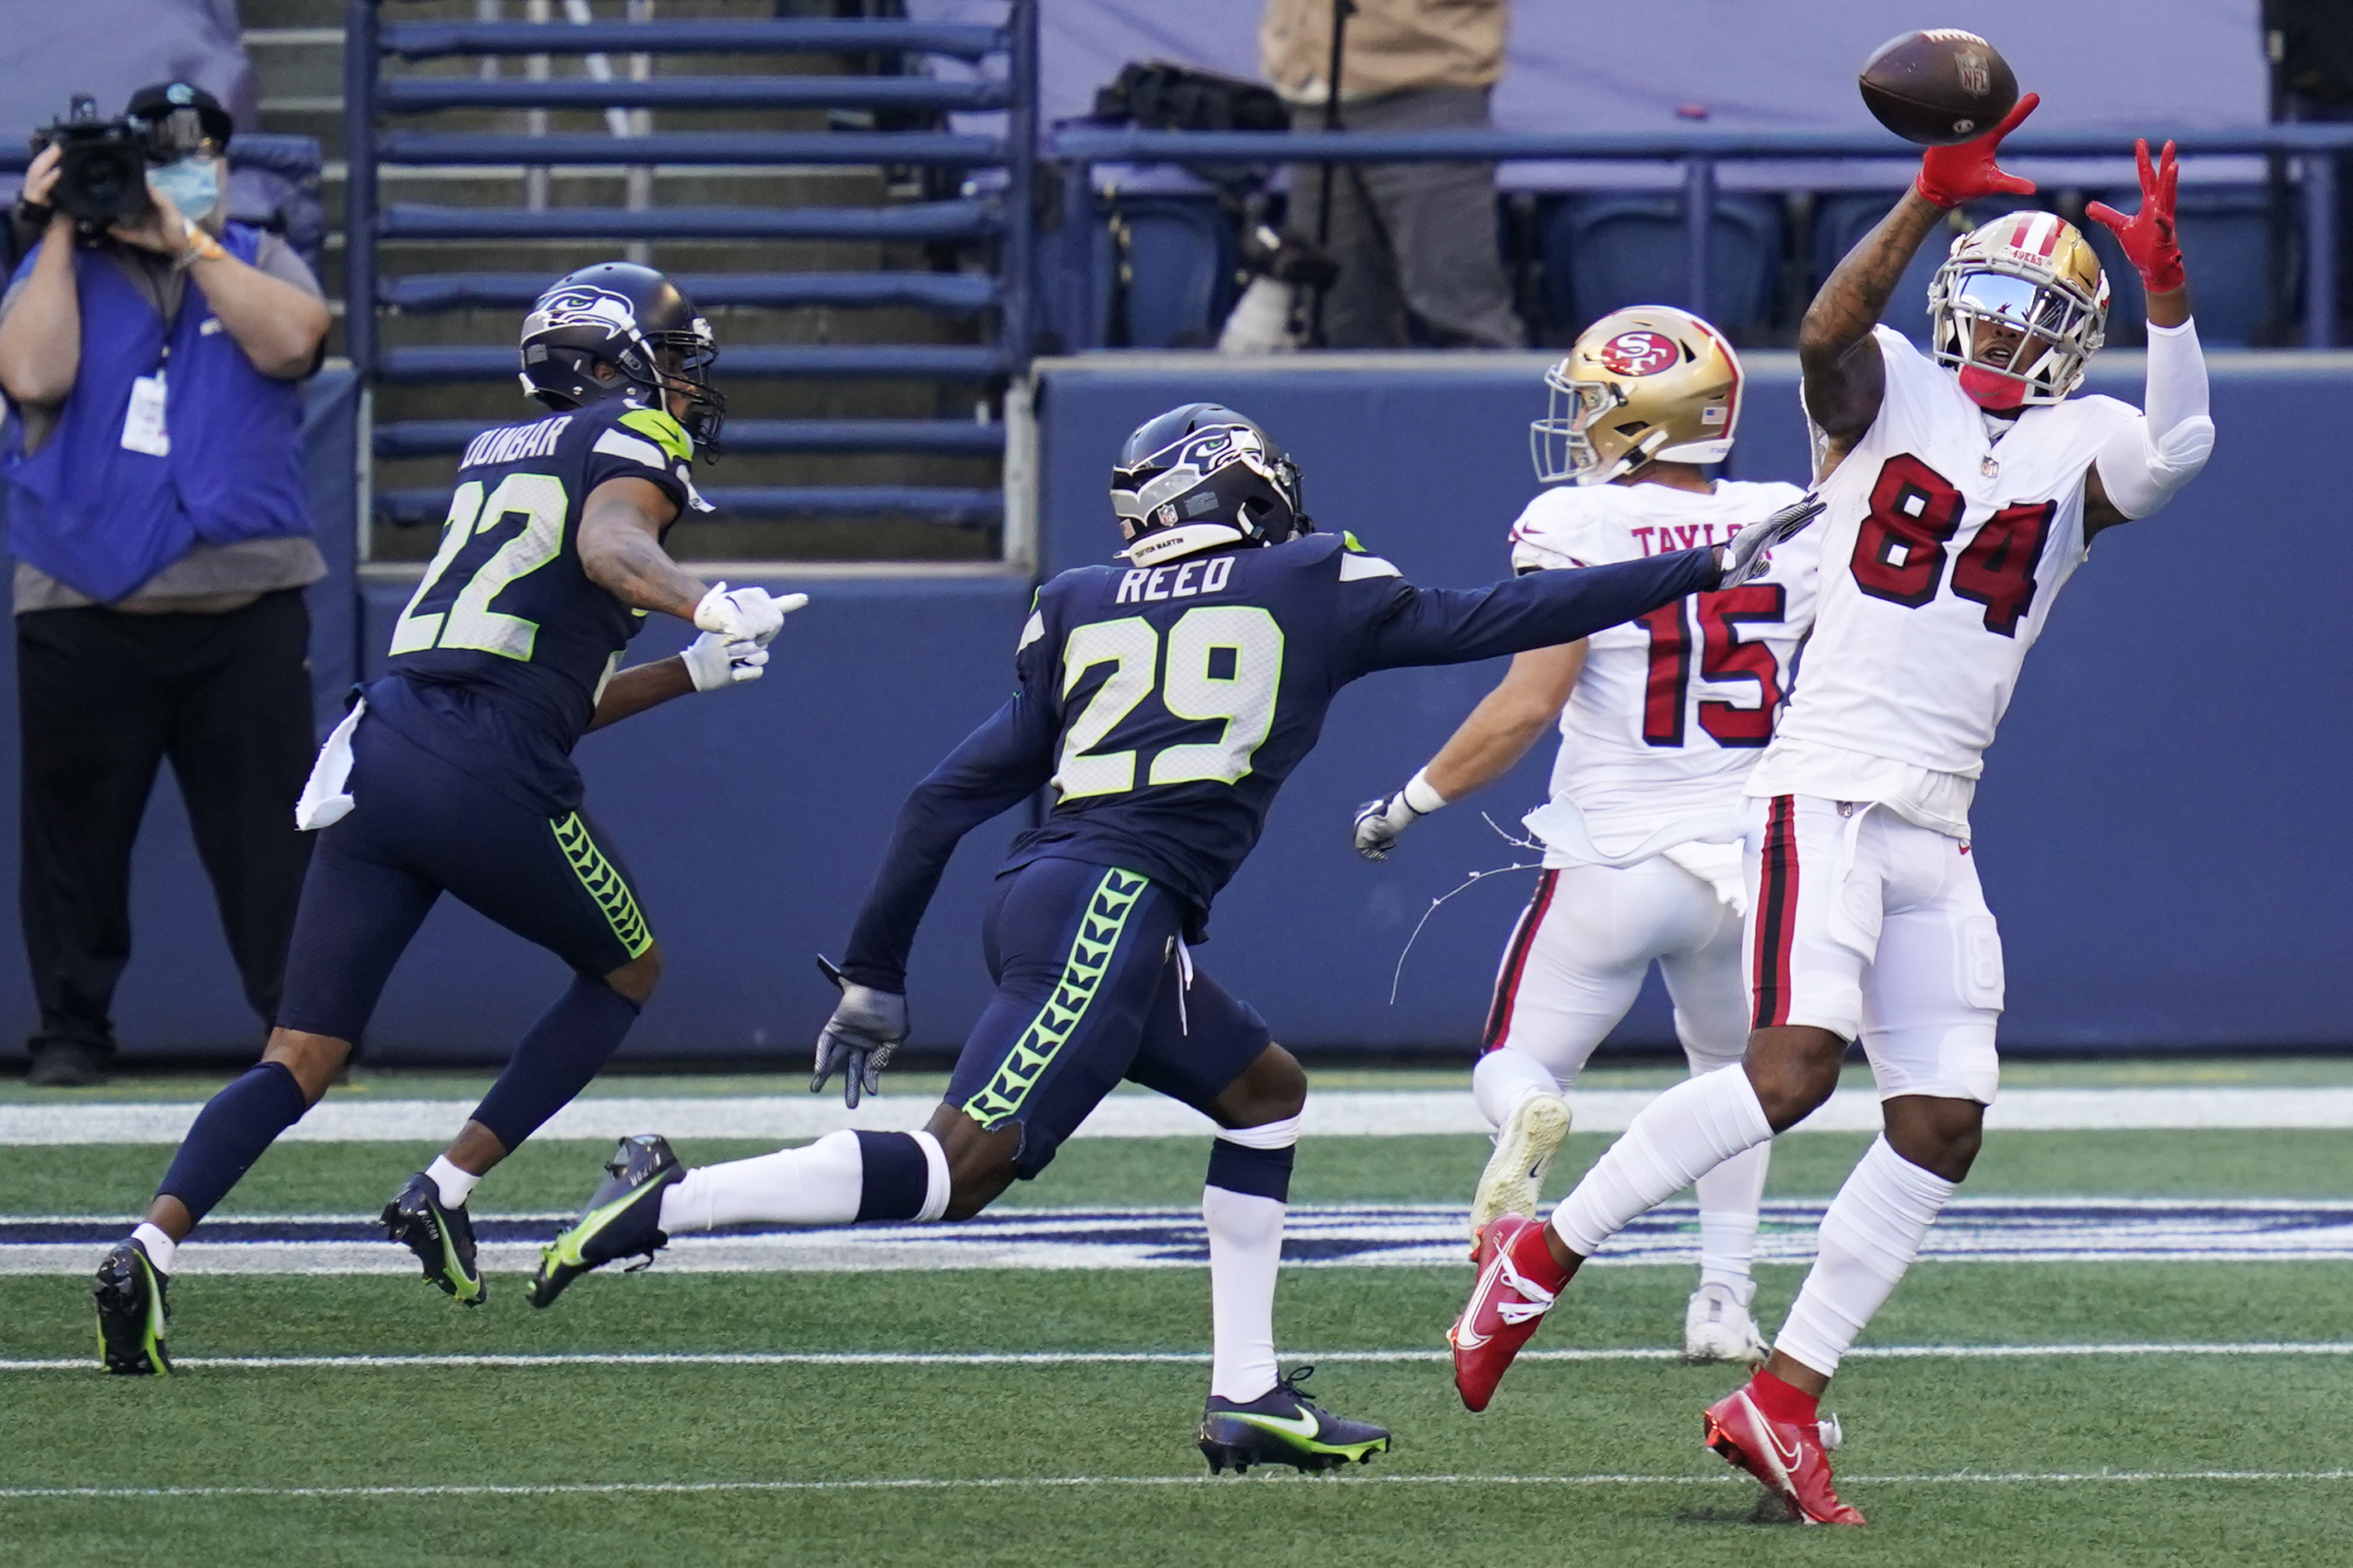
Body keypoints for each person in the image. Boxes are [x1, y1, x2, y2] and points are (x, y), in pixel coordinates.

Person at [525, 402, 1816, 1472]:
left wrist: (874, 968)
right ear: (1245, 494)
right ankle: (665, 1202)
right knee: (953, 1169)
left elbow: (941, 799)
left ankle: (1245, 1394)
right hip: (1109, 903)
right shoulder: (1315, 581)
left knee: (1264, 1094)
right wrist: (1702, 567)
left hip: (1073, 889)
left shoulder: (1084, 598)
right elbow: (1500, 618)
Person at [1446, 99, 2214, 1525]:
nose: (2001, 331)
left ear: (2076, 337)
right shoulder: (1887, 389)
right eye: (1984, 300)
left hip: (1937, 812)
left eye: (2034, 312)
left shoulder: (2093, 440)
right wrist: (1927, 194)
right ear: (1951, 305)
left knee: (1941, 1119)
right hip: (1825, 783)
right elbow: (1822, 333)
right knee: (1790, 1072)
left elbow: (2178, 450)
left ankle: (1782, 1393)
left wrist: (2168, 296)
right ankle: (1539, 1258)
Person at [88, 262, 803, 1375]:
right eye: (675, 355)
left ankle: (150, 1243)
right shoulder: (626, 440)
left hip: (386, 746)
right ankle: (446, 1184)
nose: (688, 380)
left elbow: (538, 685)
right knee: (628, 971)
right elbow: (610, 549)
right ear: (614, 361)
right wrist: (702, 599)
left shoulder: (495, 450)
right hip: (484, 764)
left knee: (300, 1052)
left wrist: (691, 672)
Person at [1350, 306, 1819, 1361]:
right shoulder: (1789, 514)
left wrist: (1407, 803)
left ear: (1646, 418)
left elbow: (1525, 705)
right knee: (1731, 1084)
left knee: (1515, 1064)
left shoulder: (1577, 522)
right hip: (1747, 864)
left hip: (1616, 857)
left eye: (1597, 402)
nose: (1579, 421)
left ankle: (1531, 1118)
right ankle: (1722, 1301)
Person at [0, 83, 330, 1088]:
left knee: (276, 838)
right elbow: (32, 377)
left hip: (246, 606)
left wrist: (188, 239)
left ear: (224, 169)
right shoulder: (51, 266)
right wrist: (59, 229)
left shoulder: (259, 255)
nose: (172, 176)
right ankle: (72, 1029)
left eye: (197, 157)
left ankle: (299, 1027)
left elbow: (295, 340)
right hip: (85, 603)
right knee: (74, 847)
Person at [1258, 0, 1525, 348]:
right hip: (1311, 96)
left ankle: (1491, 403)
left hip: (1427, 88)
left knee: (1455, 307)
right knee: (1335, 315)